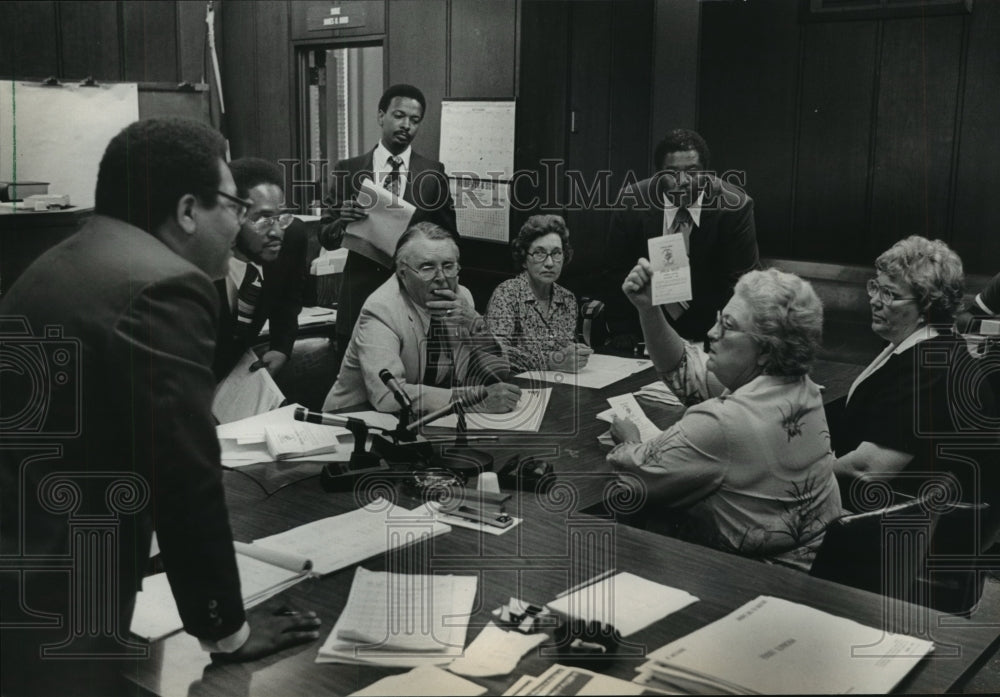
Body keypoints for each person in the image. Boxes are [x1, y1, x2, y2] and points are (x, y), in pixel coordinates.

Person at [0, 118, 320, 696]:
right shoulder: (165, 285)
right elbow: (183, 475)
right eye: (232, 204)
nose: (239, 223)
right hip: (62, 595)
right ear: (188, 210)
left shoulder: (65, 259)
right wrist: (227, 631)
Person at [608, 262, 842, 569]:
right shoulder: (801, 386)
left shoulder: (722, 423)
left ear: (765, 350)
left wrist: (629, 438)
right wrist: (649, 310)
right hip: (821, 567)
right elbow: (685, 371)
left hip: (758, 582)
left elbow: (635, 473)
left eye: (728, 326)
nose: (711, 332)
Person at [828, 236, 1000, 514]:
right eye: (875, 287)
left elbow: (869, 468)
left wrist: (806, 475)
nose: (874, 300)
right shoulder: (929, 346)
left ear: (926, 308)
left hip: (917, 525)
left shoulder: (930, 367)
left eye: (890, 294)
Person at [318, 84, 457, 369]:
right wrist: (342, 221)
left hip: (413, 303)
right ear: (381, 116)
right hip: (359, 299)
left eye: (415, 120)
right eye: (399, 115)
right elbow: (326, 236)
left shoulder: (432, 174)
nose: (406, 125)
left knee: (406, 391)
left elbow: (450, 239)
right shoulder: (349, 170)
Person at [324, 222, 520, 415]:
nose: (441, 277)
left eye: (448, 266)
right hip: (355, 422)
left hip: (423, 419)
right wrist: (472, 400)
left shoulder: (463, 299)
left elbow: (499, 373)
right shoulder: (382, 309)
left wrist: (476, 324)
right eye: (427, 267)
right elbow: (388, 396)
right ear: (403, 273)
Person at [606, 128, 760, 346]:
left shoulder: (734, 207)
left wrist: (723, 340)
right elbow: (616, 273)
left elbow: (743, 283)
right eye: (671, 172)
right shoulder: (631, 202)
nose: (683, 180)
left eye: (693, 171)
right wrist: (624, 335)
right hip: (647, 331)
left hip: (713, 331)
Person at [214, 157, 308, 380]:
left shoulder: (292, 238)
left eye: (280, 216)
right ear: (232, 216)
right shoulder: (204, 258)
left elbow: (288, 299)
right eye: (263, 219)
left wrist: (281, 347)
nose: (277, 232)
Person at [485, 214, 593, 373]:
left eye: (556, 253)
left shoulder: (567, 299)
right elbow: (496, 354)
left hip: (560, 385)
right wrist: (551, 361)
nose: (550, 263)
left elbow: (564, 350)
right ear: (523, 259)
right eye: (539, 253)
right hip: (517, 389)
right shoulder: (507, 294)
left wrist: (575, 353)